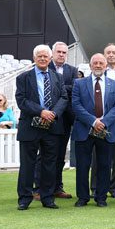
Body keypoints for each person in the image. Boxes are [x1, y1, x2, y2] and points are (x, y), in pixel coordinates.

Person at [15, 44, 68, 210]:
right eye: (40, 56)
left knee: (49, 164)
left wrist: (52, 114)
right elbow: (21, 100)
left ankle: (47, 198)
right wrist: (41, 111)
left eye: (46, 56)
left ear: (50, 58)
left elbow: (64, 98)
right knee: (27, 164)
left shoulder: (57, 77)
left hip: (52, 127)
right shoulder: (23, 78)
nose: (43, 59)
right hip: (30, 126)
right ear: (34, 58)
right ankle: (24, 199)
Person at [71, 54, 115, 207]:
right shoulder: (79, 84)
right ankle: (83, 197)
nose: (98, 65)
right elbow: (76, 105)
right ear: (91, 65)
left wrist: (104, 122)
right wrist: (93, 121)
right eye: (95, 63)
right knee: (82, 165)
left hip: (106, 131)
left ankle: (101, 197)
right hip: (84, 130)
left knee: (105, 165)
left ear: (106, 65)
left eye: (101, 63)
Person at [34, 41, 77, 200]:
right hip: (45, 117)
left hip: (64, 119)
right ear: (52, 53)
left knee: (60, 156)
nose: (61, 54)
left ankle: (57, 187)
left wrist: (57, 87)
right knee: (43, 155)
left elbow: (74, 88)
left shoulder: (72, 70)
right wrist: (61, 88)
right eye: (58, 52)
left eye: (64, 52)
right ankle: (38, 188)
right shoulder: (44, 67)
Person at [90, 43, 115, 198]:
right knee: (96, 156)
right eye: (108, 52)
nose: (111, 55)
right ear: (104, 55)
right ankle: (95, 187)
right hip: (98, 121)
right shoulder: (96, 72)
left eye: (114, 52)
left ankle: (113, 187)